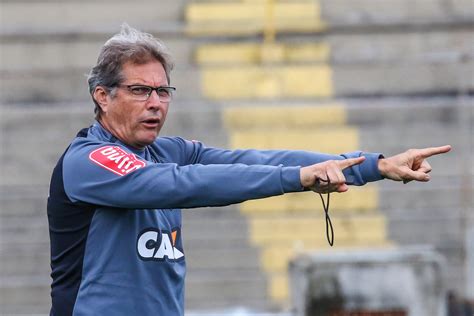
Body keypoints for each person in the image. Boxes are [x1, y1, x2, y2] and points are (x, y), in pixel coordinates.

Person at [47, 24, 451, 316]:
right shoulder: (89, 161)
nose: (155, 102)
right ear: (102, 96)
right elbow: (179, 184)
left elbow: (252, 160)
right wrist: (298, 180)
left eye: (163, 91)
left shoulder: (166, 151)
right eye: (140, 90)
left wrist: (374, 165)